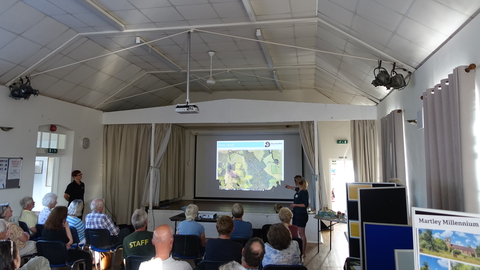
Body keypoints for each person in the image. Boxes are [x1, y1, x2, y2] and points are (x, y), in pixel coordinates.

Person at [41, 206, 92, 270]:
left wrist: (63, 246)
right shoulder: (60, 231)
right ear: (63, 218)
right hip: (61, 257)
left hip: (48, 256)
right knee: (86, 255)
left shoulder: (45, 229)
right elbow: (70, 241)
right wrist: (67, 227)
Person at [285, 175, 309, 255]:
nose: (294, 183)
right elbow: (294, 188)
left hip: (301, 215)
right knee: (296, 231)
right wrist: (289, 187)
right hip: (296, 214)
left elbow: (305, 204)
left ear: (297, 182)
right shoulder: (298, 189)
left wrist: (295, 205)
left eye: (295, 181)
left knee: (302, 234)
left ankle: (303, 252)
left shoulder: (304, 192)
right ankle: (297, 250)